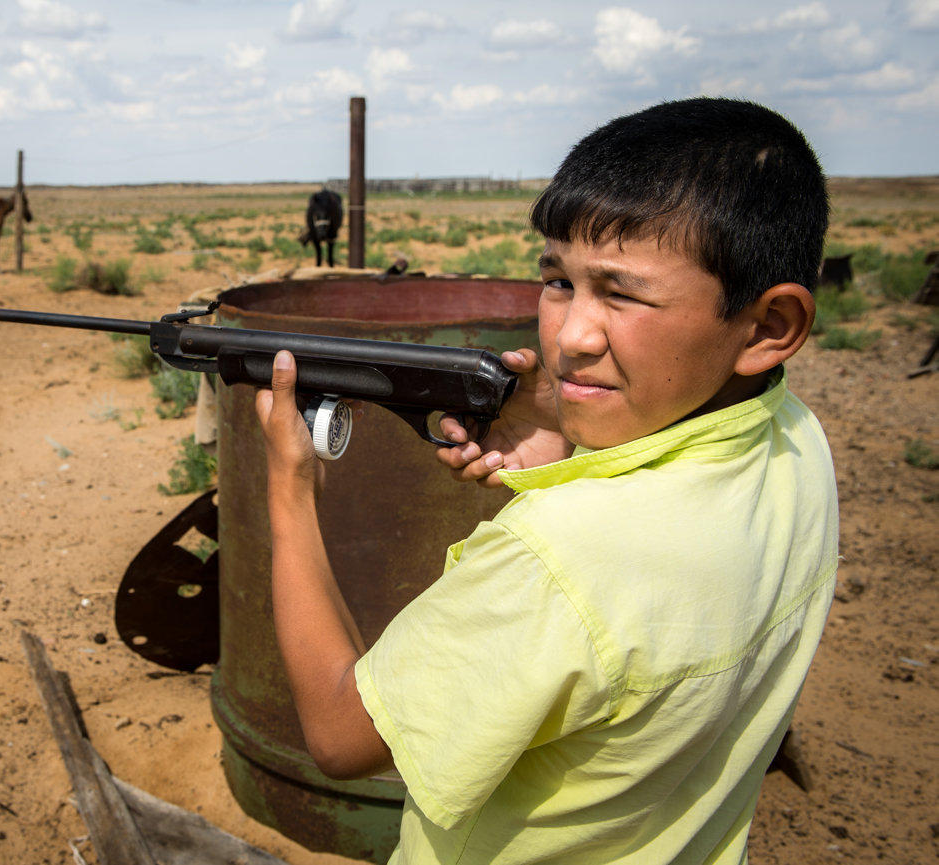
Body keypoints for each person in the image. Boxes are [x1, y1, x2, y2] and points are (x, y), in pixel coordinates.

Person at [254, 97, 838, 865]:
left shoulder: (558, 563)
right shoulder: (799, 441)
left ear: (768, 327)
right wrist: (568, 444)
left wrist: (290, 490)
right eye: (559, 280)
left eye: (622, 293)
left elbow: (337, 733)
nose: (570, 337)